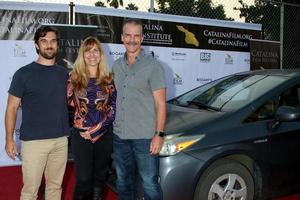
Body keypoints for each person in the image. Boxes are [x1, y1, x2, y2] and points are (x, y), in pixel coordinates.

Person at [4, 26, 70, 200]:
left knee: (55, 188)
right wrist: (9, 139)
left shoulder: (64, 74)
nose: (49, 45)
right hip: (33, 143)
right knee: (30, 191)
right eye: (44, 41)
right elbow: (11, 107)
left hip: (60, 141)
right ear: (36, 45)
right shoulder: (23, 74)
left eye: (53, 41)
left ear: (57, 44)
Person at [112, 18, 167, 200]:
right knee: (123, 183)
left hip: (145, 138)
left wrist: (159, 134)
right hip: (120, 136)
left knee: (150, 184)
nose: (132, 39)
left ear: (142, 39)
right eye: (128, 35)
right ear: (122, 37)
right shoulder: (116, 66)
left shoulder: (153, 66)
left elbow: (160, 103)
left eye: (136, 36)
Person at [67, 36, 116, 200]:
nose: (92, 54)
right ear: (82, 54)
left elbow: (114, 108)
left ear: (101, 55)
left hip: (104, 136)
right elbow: (67, 107)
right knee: (83, 179)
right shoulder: (73, 78)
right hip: (81, 136)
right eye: (88, 50)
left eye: (95, 50)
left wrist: (97, 130)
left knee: (99, 181)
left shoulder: (109, 79)